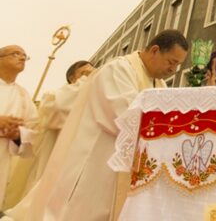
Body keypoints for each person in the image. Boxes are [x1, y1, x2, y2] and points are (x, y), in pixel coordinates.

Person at [5, 30, 188, 221]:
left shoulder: (159, 84)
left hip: (121, 170)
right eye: (171, 62)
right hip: (96, 162)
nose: (173, 69)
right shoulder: (118, 69)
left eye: (178, 65)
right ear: (155, 50)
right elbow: (125, 114)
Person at [2, 61, 96, 210]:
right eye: (84, 74)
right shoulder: (55, 96)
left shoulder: (96, 101)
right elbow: (59, 111)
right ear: (72, 78)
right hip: (52, 160)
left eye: (93, 73)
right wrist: (87, 81)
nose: (91, 77)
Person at [0, 46, 38, 209]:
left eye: (24, 56)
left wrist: (18, 135)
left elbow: (35, 131)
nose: (22, 58)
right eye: (15, 54)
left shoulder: (23, 96)